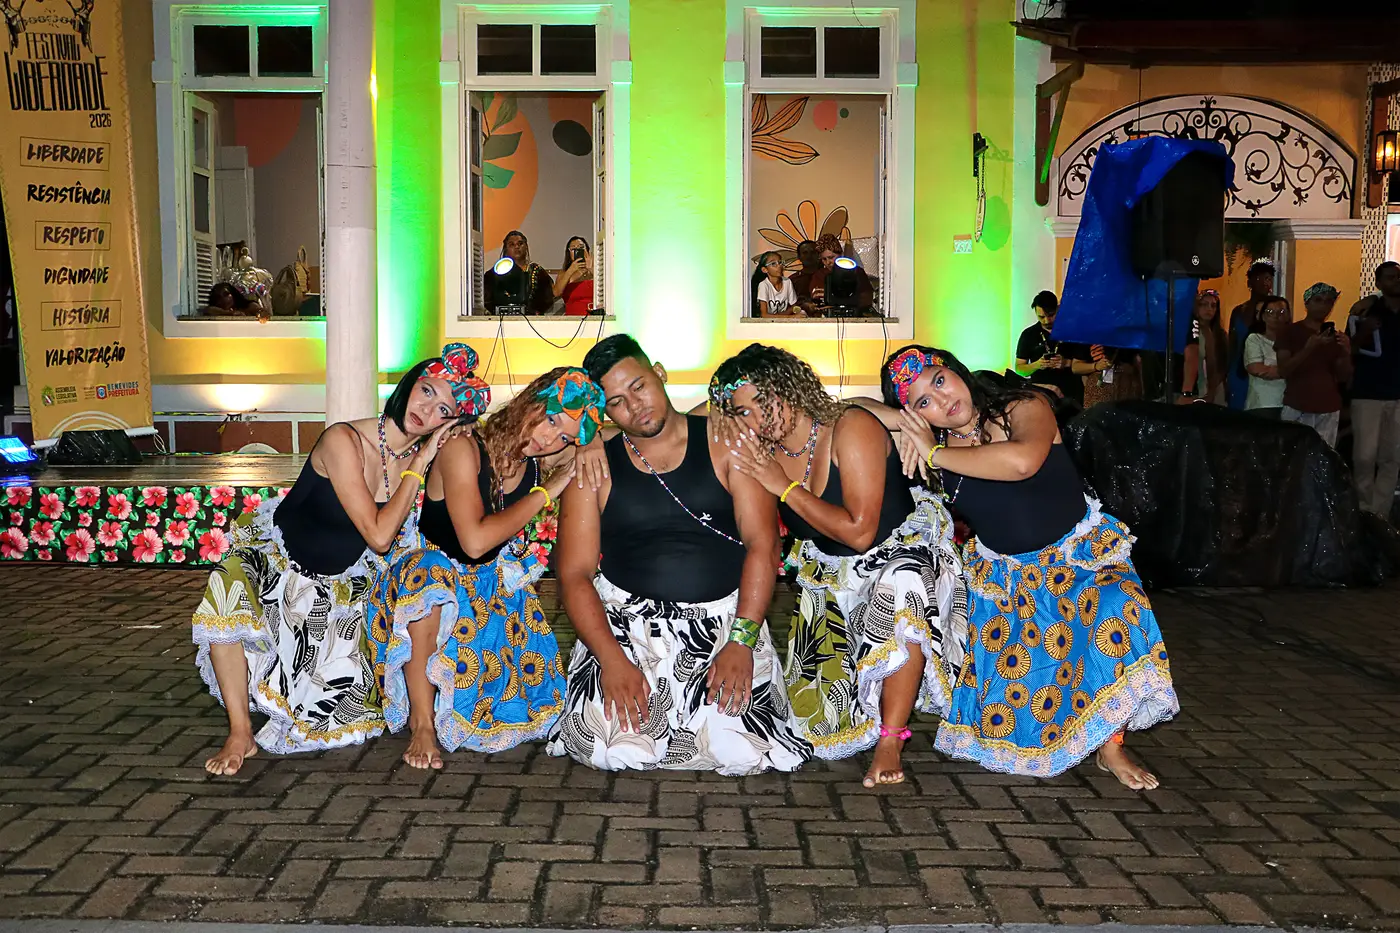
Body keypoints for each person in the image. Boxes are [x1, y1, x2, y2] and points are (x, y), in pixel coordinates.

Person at [882, 345, 1178, 789]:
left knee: (1118, 607)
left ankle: (1111, 747)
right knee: (1021, 710)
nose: (942, 400)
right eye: (923, 400)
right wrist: (906, 425)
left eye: (940, 381)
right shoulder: (932, 442)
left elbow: (1022, 462)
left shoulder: (1022, 406)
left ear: (957, 370)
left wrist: (932, 453)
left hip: (1078, 560)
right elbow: (850, 410)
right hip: (1008, 583)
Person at [192, 349, 466, 776]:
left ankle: (422, 722)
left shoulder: (423, 459)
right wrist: (420, 463)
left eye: (444, 410)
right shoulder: (344, 440)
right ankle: (240, 732)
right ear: (408, 385)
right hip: (279, 573)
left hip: (340, 594)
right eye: (426, 391)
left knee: (426, 576)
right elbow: (378, 535)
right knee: (228, 582)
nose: (428, 410)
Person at [545, 334, 808, 775]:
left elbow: (763, 545)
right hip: (627, 630)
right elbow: (574, 573)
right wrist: (611, 660)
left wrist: (741, 642)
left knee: (744, 752)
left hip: (724, 623)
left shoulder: (726, 442)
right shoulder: (594, 465)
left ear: (659, 374)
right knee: (610, 750)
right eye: (616, 402)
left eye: (639, 387)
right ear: (603, 411)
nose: (635, 406)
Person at [713, 344, 966, 787]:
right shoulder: (763, 450)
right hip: (834, 580)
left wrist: (783, 488)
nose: (755, 419)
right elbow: (687, 417)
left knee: (901, 585)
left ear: (788, 387)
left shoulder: (850, 427)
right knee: (814, 729)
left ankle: (892, 739)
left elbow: (860, 532)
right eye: (742, 412)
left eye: (762, 402)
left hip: (902, 557)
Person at [367, 366, 604, 769]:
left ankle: (457, 693)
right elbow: (474, 541)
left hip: (487, 585)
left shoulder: (538, 455)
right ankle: (422, 723)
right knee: (430, 580)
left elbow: (622, 439)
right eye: (550, 421)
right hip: (426, 579)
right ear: (531, 402)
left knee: (534, 699)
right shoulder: (463, 447)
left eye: (565, 437)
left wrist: (591, 441)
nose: (550, 440)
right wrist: (545, 493)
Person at [1347, 262, 1400, 517]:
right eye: (1390, 277)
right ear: (1378, 283)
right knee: (1364, 457)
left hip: (1398, 395)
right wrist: (1365, 330)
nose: (1396, 281)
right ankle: (1364, 511)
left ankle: (1381, 514)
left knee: (1392, 458)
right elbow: (1349, 349)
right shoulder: (1365, 311)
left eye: (1399, 276)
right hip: (1368, 393)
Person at [1277, 283, 1351, 448]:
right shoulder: (1290, 331)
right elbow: (1283, 370)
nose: (1323, 305)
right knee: (1294, 456)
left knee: (1323, 458)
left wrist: (1346, 351)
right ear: (1307, 303)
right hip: (1298, 405)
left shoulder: (1335, 337)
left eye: (1328, 301)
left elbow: (1344, 376)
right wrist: (1308, 348)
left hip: (1329, 407)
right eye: (1318, 300)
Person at [1014, 291, 1082, 406]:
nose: (1046, 320)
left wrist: (1066, 363)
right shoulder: (1028, 334)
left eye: (1051, 315)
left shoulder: (1072, 331)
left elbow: (1084, 363)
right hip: (1042, 396)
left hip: (1071, 393)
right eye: (1041, 317)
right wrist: (1037, 365)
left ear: (1058, 309)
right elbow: (1019, 369)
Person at [1227, 259, 1277, 409]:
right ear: (1250, 282)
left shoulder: (1276, 312)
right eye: (1259, 278)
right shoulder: (1238, 311)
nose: (1265, 282)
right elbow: (1232, 345)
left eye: (1268, 278)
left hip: (1265, 372)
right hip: (1238, 372)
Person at [483, 230, 554, 314]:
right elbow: (486, 299)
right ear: (505, 248)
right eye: (512, 244)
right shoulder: (495, 273)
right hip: (500, 320)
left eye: (520, 243)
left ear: (526, 247)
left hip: (532, 319)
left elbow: (548, 298)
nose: (517, 247)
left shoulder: (537, 271)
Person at [1242, 296, 1290, 419]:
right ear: (1263, 316)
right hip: (1262, 405)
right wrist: (1290, 369)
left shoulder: (1294, 341)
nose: (1276, 316)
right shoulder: (1255, 339)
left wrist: (1277, 369)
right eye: (1270, 312)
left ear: (1288, 315)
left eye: (1281, 312)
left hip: (1289, 405)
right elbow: (1256, 368)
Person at [1181, 289, 1228, 404]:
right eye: (1204, 304)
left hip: (1214, 388)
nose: (1209, 309)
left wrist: (1211, 391)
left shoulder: (1220, 335)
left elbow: (1223, 365)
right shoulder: (1190, 332)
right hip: (1194, 387)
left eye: (1213, 306)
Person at [808, 233, 874, 312]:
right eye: (824, 259)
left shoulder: (857, 272)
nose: (828, 262)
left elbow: (867, 299)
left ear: (840, 254)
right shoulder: (819, 275)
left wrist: (835, 298)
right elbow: (815, 300)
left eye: (831, 257)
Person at [1071, 344, 1142, 407]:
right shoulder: (1089, 339)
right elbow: (1075, 367)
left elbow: (1137, 364)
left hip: (1125, 386)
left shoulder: (1127, 339)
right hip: (1099, 388)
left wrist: (1130, 369)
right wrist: (1095, 366)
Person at [554, 236, 595, 316]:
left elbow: (608, 289)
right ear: (569, 253)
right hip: (572, 318)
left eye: (581, 247)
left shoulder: (597, 271)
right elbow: (556, 293)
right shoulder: (564, 273)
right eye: (573, 249)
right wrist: (570, 270)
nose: (578, 250)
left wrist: (591, 269)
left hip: (594, 318)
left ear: (587, 250)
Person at [754, 251, 800, 317]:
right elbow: (764, 315)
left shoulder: (787, 282)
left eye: (780, 262)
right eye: (773, 264)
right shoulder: (763, 285)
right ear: (764, 270)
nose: (779, 266)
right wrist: (790, 317)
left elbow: (794, 306)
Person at [790, 239, 821, 309]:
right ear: (799, 257)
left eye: (813, 252)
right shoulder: (792, 280)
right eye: (805, 253)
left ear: (819, 255)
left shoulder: (827, 276)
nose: (809, 256)